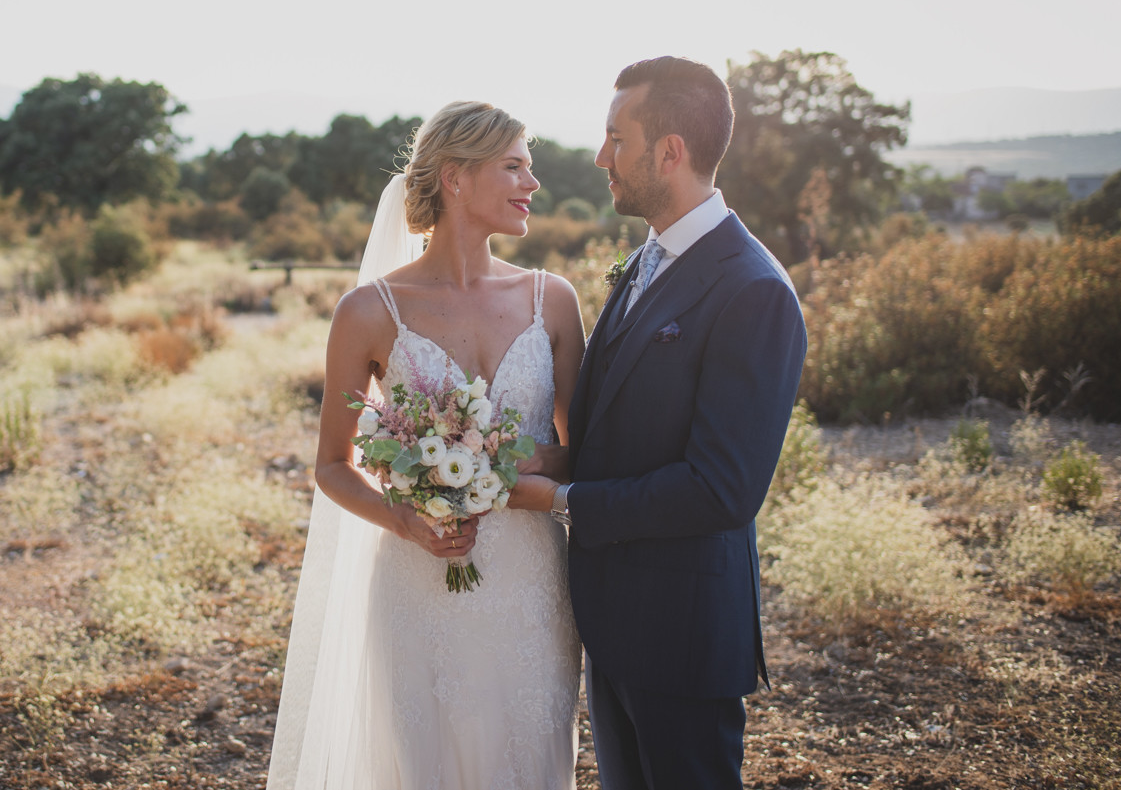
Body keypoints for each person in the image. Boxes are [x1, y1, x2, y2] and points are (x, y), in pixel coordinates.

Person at [267, 101, 587, 789]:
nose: (533, 183)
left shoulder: (552, 300)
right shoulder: (368, 311)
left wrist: (522, 462)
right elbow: (332, 464)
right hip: (418, 582)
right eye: (514, 166)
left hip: (532, 583)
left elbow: (583, 451)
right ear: (456, 178)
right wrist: (405, 520)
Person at [512, 57, 808, 789]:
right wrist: (548, 462)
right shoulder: (647, 259)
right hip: (616, 626)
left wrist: (562, 502)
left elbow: (721, 489)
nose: (599, 156)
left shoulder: (753, 290)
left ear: (669, 151)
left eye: (617, 137)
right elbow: (619, 426)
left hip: (683, 635)